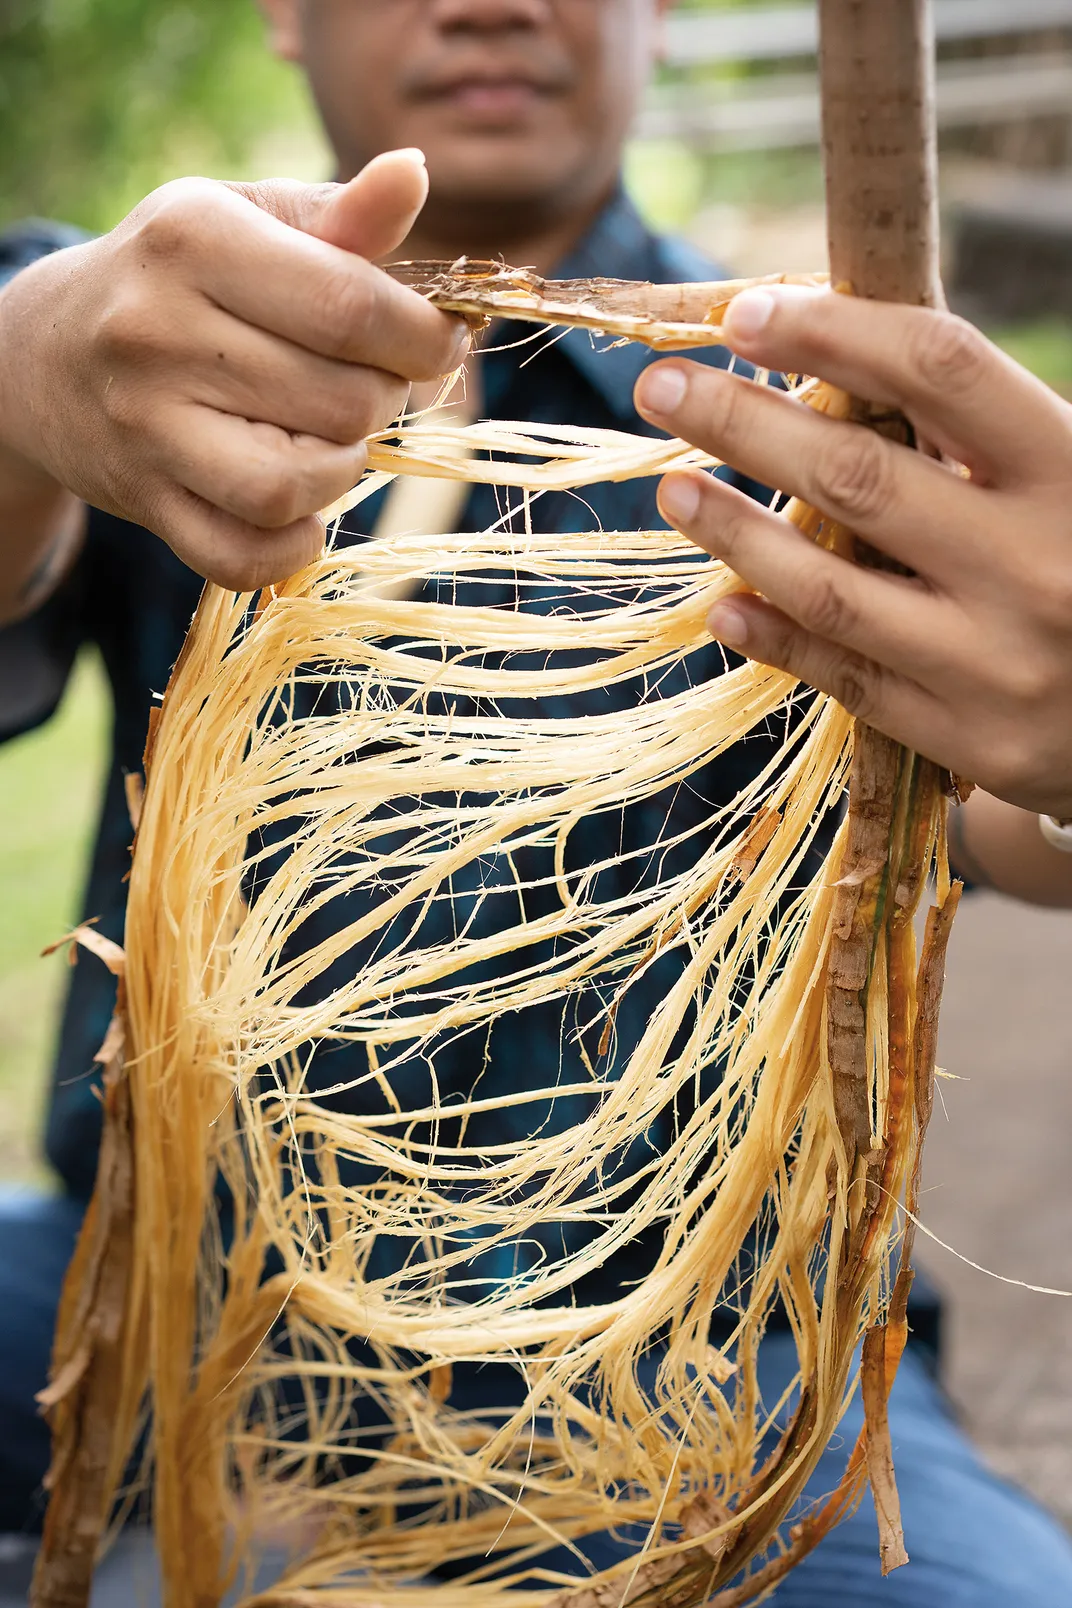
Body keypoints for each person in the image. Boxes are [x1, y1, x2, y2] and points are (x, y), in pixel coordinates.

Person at [0, 2, 1071, 1602]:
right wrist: (19, 385)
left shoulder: (822, 412)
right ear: (285, 17)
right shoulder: (134, 330)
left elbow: (988, 817)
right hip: (138, 1288)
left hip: (692, 1353)